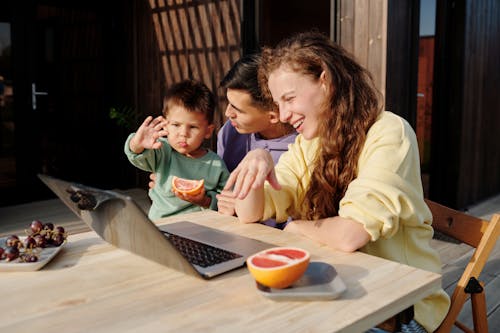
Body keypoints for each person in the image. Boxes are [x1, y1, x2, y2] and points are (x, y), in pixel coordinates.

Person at [225, 32, 450, 333]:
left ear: (326, 80)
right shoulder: (309, 145)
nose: (284, 114)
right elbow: (251, 212)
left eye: (289, 98)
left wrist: (294, 228)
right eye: (278, 104)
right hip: (334, 290)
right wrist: (258, 160)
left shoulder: (389, 133)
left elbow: (350, 235)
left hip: (399, 309)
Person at [125, 79, 229, 221]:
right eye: (176, 125)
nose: (183, 133)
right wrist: (137, 144)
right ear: (165, 125)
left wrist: (204, 201)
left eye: (192, 127)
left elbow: (226, 200)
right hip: (161, 226)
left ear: (208, 131)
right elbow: (137, 157)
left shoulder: (216, 164)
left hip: (202, 229)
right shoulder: (162, 150)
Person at [215, 54, 297, 224]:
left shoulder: (303, 148)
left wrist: (242, 207)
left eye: (238, 109)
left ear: (273, 116)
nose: (228, 113)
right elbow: (221, 190)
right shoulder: (230, 132)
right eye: (228, 103)